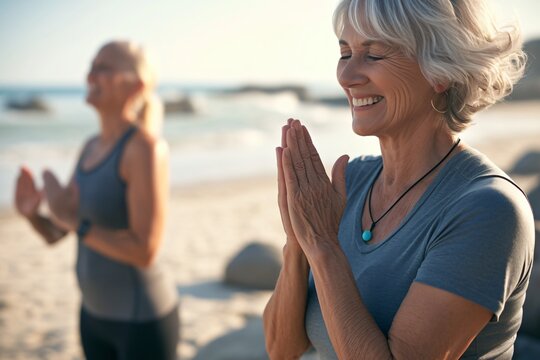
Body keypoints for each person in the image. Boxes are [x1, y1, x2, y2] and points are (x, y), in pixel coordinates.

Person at [263, 0, 535, 359]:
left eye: (373, 55)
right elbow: (282, 349)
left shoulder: (488, 209)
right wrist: (298, 244)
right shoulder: (354, 181)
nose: (346, 77)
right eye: (345, 53)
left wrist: (324, 246)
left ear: (441, 70)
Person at [14, 40, 179, 360]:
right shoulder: (89, 147)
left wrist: (74, 221)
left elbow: (145, 251)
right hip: (92, 318)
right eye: (91, 66)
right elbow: (58, 233)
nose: (90, 76)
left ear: (136, 85)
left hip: (141, 323)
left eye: (103, 68)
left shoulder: (145, 149)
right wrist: (34, 216)